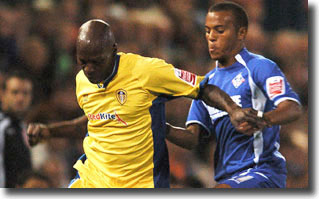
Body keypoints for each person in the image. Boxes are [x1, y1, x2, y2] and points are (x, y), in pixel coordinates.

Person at [27, 19, 265, 188]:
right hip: (94, 179)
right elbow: (93, 122)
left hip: (141, 184)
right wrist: (50, 130)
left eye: (96, 62)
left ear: (114, 50)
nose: (89, 70)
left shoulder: (146, 71)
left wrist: (233, 110)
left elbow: (203, 88)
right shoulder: (82, 81)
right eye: (83, 62)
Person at [166, 2, 302, 188]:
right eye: (208, 30)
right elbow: (192, 138)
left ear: (241, 33)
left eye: (220, 30)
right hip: (225, 177)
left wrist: (263, 119)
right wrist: (162, 127)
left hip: (262, 173)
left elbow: (292, 108)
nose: (211, 37)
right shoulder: (207, 86)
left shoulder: (260, 68)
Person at [0, 70, 33, 188]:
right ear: (2, 94)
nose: (20, 98)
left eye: (25, 93)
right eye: (15, 92)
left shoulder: (23, 128)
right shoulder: (2, 128)